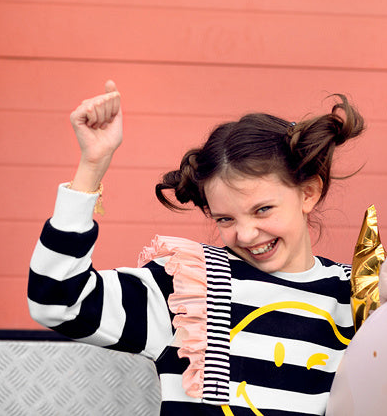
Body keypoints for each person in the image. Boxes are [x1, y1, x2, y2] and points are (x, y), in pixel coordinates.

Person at [28, 81, 365, 415]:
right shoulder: (189, 288)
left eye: (263, 210)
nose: (246, 235)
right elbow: (57, 300)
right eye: (225, 219)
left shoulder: (356, 297)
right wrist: (91, 166)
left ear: (308, 193)